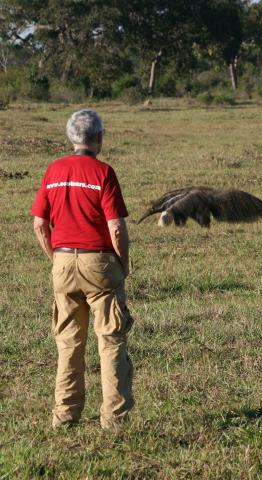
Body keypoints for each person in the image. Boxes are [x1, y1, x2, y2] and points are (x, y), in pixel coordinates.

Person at [31, 109, 134, 429]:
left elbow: (39, 225)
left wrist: (56, 260)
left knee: (68, 344)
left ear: (70, 138)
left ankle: (64, 416)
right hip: (100, 263)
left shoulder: (53, 170)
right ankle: (114, 420)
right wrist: (122, 264)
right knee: (111, 341)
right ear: (99, 138)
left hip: (62, 263)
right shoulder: (104, 173)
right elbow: (116, 228)